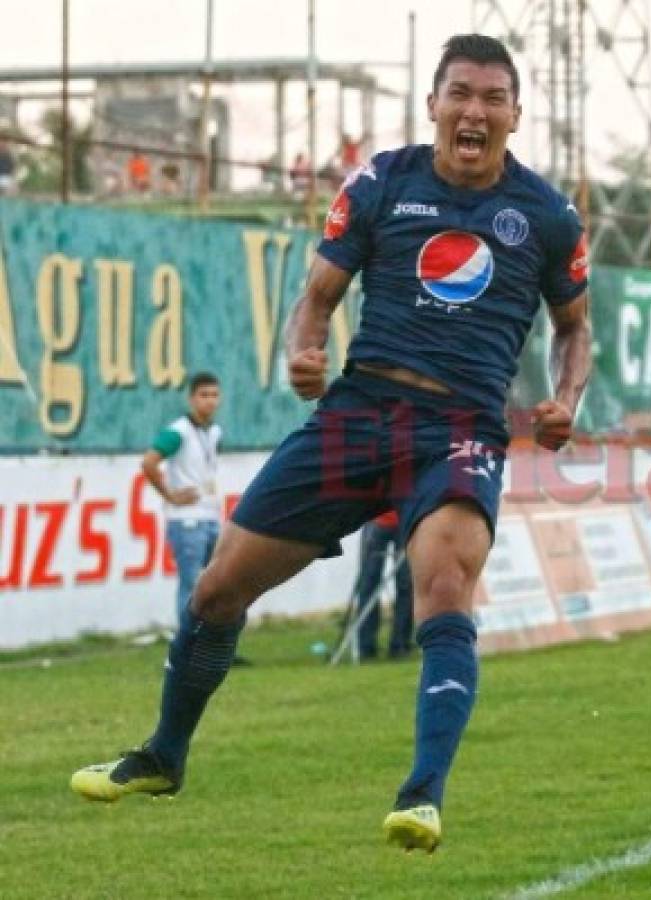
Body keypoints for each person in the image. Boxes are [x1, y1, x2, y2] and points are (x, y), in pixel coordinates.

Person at [71, 34, 592, 855]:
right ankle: (163, 754)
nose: (474, 111)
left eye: (493, 98)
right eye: (460, 93)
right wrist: (301, 354)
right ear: (432, 104)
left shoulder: (547, 216)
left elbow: (574, 330)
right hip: (358, 414)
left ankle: (421, 796)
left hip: (459, 428)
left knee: (445, 587)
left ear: (515, 115)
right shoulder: (383, 182)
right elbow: (317, 297)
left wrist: (564, 400)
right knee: (215, 594)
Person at [140, 372, 224, 629]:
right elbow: (149, 462)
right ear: (191, 399)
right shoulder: (179, 432)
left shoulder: (215, 432)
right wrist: (169, 494)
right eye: (203, 395)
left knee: (217, 584)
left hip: (210, 515)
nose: (209, 401)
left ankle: (211, 644)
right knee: (191, 585)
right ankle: (188, 647)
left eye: (214, 395)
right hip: (187, 520)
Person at [351, 511, 414, 660]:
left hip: (406, 520)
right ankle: (366, 648)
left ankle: (400, 646)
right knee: (368, 585)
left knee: (407, 585)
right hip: (376, 519)